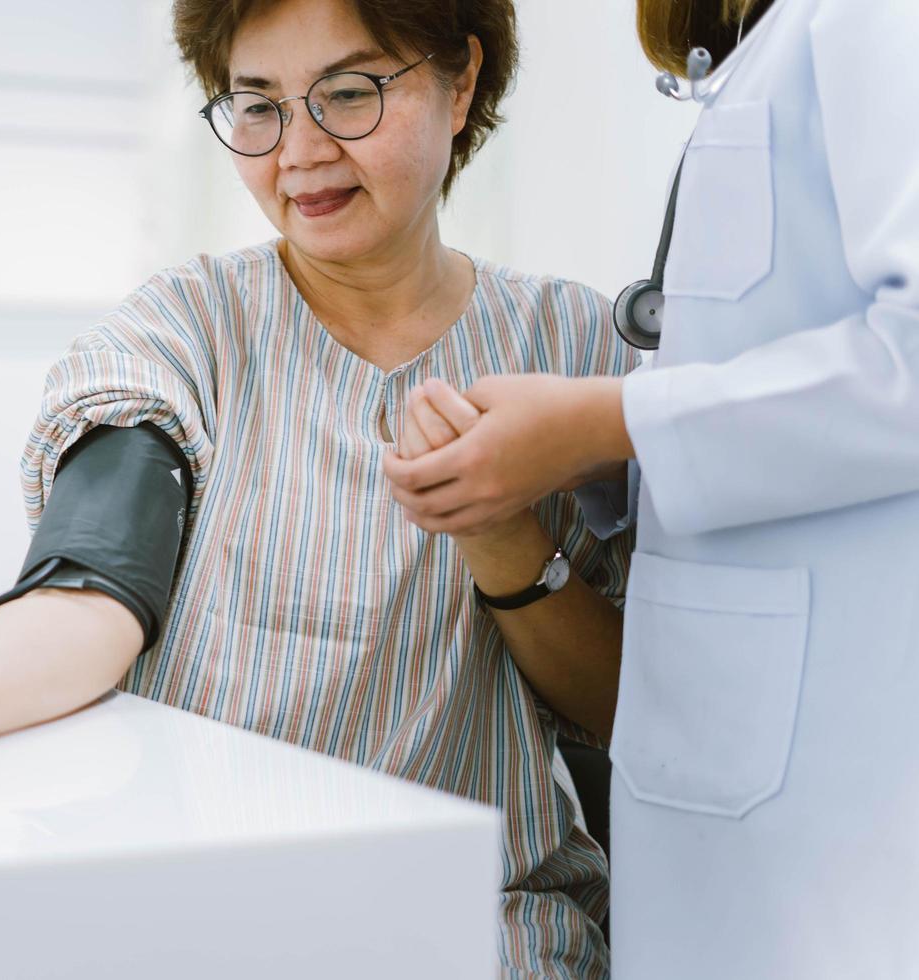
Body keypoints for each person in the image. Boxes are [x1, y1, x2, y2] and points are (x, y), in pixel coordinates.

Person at [0, 1, 639, 973]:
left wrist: (500, 535)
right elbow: (95, 579)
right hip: (187, 911)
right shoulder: (185, 328)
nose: (298, 152)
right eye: (257, 104)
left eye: (349, 94)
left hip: (471, 922)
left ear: (462, 79)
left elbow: (635, 711)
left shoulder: (577, 352)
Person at [384, 0, 919, 975]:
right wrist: (603, 455)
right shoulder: (771, 51)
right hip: (729, 803)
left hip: (833, 826)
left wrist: (608, 422)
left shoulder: (870, 19)